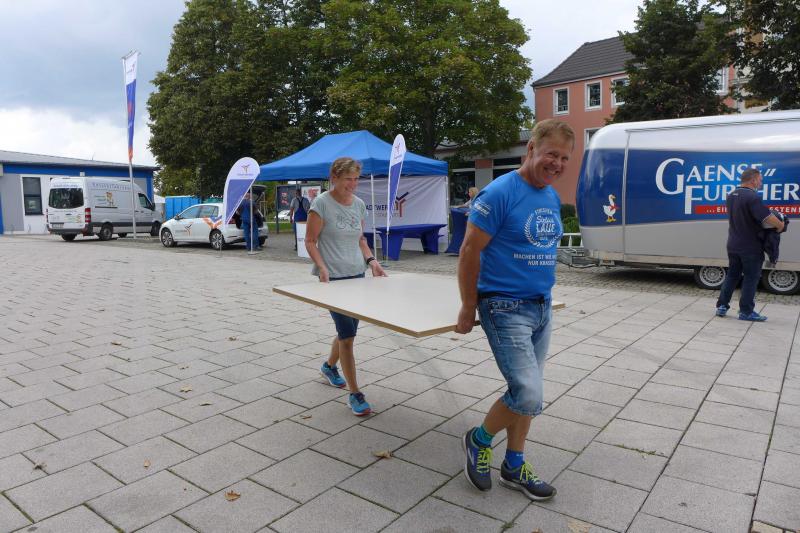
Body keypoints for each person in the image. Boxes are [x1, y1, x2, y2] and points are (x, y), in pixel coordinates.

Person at [455, 119, 575, 501]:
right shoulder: (499, 193)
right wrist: (468, 305)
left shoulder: (550, 196)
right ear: (531, 149)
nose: (557, 164)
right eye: (551, 154)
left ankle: (514, 463)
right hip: (504, 306)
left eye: (565, 158)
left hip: (541, 306)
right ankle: (479, 440)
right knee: (528, 393)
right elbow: (469, 250)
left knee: (526, 392)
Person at [305, 157, 387, 416]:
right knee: (348, 338)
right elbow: (310, 241)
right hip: (334, 280)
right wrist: (322, 267)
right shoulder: (321, 204)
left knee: (347, 332)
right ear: (334, 178)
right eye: (347, 179)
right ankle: (355, 394)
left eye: (355, 179)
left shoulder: (359, 205)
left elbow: (360, 239)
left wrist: (372, 261)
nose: (352, 184)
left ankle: (329, 367)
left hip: (357, 276)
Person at [716, 168, 784, 321]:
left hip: (733, 244)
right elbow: (766, 217)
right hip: (750, 246)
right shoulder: (752, 197)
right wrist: (780, 225)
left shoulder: (731, 195)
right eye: (760, 180)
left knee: (732, 275)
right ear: (753, 180)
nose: (761, 183)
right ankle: (746, 312)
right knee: (751, 278)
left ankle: (722, 306)